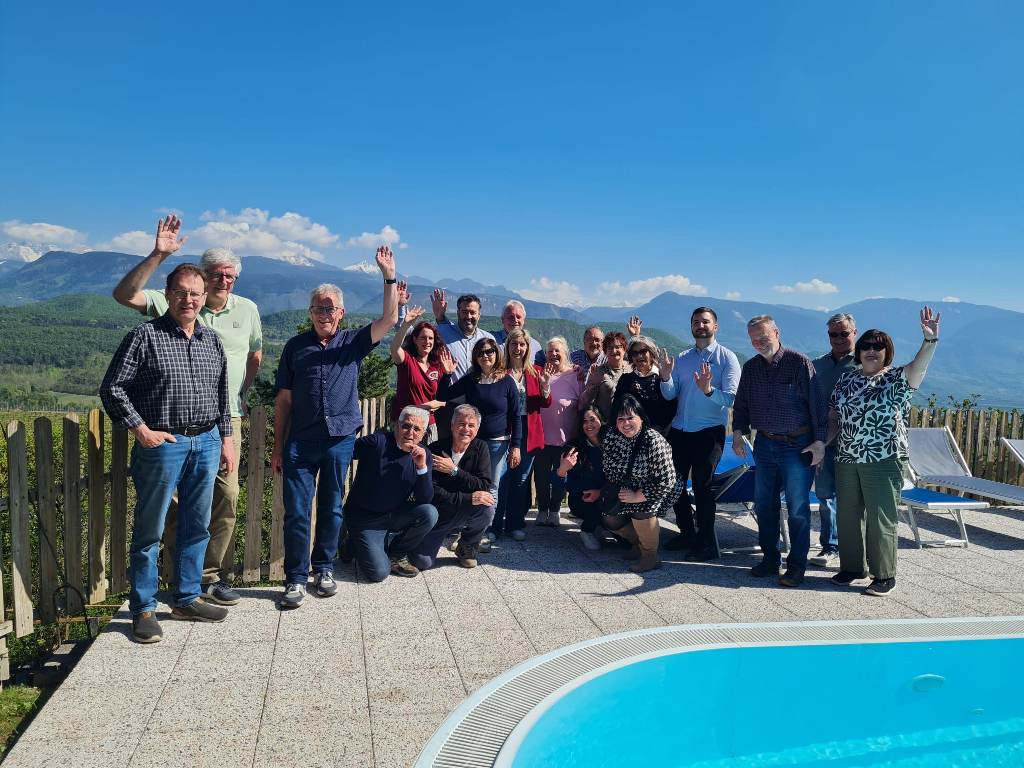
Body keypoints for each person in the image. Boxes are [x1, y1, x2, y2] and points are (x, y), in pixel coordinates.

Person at [112, 215, 262, 606]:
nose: (222, 281)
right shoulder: (159, 322)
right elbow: (124, 296)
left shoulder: (236, 318)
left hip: (217, 428)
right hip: (166, 433)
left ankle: (198, 585)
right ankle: (158, 594)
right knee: (161, 517)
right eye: (216, 275)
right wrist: (159, 254)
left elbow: (248, 362)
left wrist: (233, 415)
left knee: (216, 506)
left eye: (229, 276)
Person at [100, 263, 236, 643]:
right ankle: (143, 608)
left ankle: (187, 598)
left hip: (206, 442)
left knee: (197, 526)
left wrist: (225, 440)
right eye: (180, 292)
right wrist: (140, 430)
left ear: (204, 297)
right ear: (168, 294)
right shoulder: (145, 336)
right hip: (164, 446)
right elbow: (113, 387)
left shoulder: (212, 341)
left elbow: (222, 397)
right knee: (151, 529)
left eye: (195, 293)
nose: (188, 299)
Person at [271, 246, 399, 609]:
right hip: (300, 442)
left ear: (341, 313)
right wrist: (278, 447)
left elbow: (390, 319)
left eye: (330, 308)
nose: (324, 313)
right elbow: (284, 400)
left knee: (331, 508)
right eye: (318, 308)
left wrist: (389, 276)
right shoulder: (295, 347)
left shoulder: (352, 342)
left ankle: (323, 569)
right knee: (297, 512)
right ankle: (296, 578)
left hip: (339, 440)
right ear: (310, 312)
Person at [829, 308, 940, 597]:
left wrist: (929, 340)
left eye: (878, 346)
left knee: (880, 517)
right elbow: (834, 417)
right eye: (866, 345)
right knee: (848, 515)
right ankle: (853, 568)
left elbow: (920, 365)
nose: (871, 350)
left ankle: (884, 575)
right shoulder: (846, 380)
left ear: (887, 352)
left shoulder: (898, 378)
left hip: (883, 458)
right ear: (858, 351)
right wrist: (822, 444)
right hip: (847, 457)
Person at [732, 315, 827, 588]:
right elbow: (742, 404)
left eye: (763, 337)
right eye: (754, 339)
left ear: (776, 332)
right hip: (764, 444)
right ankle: (770, 559)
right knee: (764, 505)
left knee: (797, 508)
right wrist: (738, 433)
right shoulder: (751, 368)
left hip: (797, 445)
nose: (759, 343)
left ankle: (796, 566)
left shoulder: (799, 363)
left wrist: (820, 442)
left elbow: (818, 406)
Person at [658, 306, 741, 561]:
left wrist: (708, 390)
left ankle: (706, 542)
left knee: (703, 487)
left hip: (709, 432)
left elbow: (731, 399)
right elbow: (670, 395)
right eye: (696, 322)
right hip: (681, 430)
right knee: (674, 485)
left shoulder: (727, 358)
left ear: (715, 326)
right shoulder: (683, 358)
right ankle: (686, 532)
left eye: (705, 322)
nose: (700, 325)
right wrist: (665, 378)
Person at [437, 337, 520, 549]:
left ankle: (485, 530)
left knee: (492, 486)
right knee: (467, 482)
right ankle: (461, 528)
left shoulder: (507, 381)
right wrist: (447, 374)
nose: (485, 355)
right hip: (472, 443)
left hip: (498, 444)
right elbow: (444, 395)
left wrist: (516, 446)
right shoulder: (471, 379)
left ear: (497, 354)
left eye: (490, 351)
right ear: (475, 356)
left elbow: (516, 416)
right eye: (481, 352)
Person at [342, 407, 439, 582]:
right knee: (379, 573)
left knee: (429, 513)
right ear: (396, 426)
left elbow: (425, 499)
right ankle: (353, 541)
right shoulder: (377, 442)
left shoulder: (423, 454)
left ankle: (397, 553)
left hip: (393, 514)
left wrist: (421, 467)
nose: (410, 432)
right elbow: (344, 450)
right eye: (406, 426)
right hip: (365, 518)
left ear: (423, 434)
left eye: (417, 429)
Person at [598, 396, 681, 572]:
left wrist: (637, 496)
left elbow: (667, 480)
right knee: (610, 518)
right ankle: (638, 544)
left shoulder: (653, 440)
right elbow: (608, 469)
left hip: (658, 489)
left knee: (641, 510)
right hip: (627, 486)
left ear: (641, 418)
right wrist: (622, 492)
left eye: (630, 417)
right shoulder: (612, 436)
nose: (626, 423)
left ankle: (650, 556)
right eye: (621, 419)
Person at [413, 404, 494, 569]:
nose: (466, 429)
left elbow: (483, 485)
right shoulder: (435, 449)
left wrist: (454, 471)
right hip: (440, 513)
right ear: (452, 426)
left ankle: (467, 547)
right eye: (461, 424)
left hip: (463, 509)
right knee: (422, 562)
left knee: (487, 507)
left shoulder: (481, 448)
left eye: (471, 425)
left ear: (477, 429)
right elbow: (432, 491)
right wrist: (468, 497)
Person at [809, 313, 859, 568]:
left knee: (853, 498)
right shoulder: (816, 365)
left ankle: (855, 548)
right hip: (824, 443)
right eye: (833, 334)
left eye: (844, 333)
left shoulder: (864, 364)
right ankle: (830, 546)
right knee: (826, 496)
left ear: (854, 333)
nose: (838, 338)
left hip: (855, 443)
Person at [495, 328, 551, 538]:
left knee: (521, 479)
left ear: (527, 348)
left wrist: (545, 387)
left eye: (522, 344)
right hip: (504, 428)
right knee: (501, 478)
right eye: (514, 344)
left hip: (529, 429)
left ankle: (514, 524)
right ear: (507, 346)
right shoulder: (499, 372)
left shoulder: (536, 371)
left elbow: (545, 403)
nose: (518, 348)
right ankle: (494, 525)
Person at [534, 336, 585, 531]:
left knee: (561, 476)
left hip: (567, 439)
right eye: (550, 351)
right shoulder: (541, 374)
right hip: (542, 438)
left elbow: (582, 403)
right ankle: (542, 509)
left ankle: (554, 510)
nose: (554, 354)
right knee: (541, 477)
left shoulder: (575, 375)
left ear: (565, 354)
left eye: (557, 351)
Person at [389, 305, 448, 444]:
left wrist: (434, 404)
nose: (427, 342)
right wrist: (406, 325)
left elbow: (445, 397)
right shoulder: (407, 361)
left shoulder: (437, 366)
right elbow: (395, 348)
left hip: (428, 423)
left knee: (427, 457)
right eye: (423, 338)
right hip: (405, 424)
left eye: (430, 338)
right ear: (415, 340)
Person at [554, 404, 608, 551]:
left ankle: (602, 526)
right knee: (595, 506)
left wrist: (601, 492)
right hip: (583, 498)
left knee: (626, 543)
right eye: (585, 421)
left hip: (607, 493)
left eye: (592, 420)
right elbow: (560, 484)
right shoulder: (574, 448)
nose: (589, 425)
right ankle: (587, 530)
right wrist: (563, 470)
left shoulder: (613, 444)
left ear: (602, 421)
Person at [430, 289, 495, 381]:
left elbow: (497, 367)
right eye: (464, 312)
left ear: (479, 315)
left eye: (472, 312)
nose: (468, 316)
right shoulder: (442, 332)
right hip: (450, 389)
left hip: (481, 389)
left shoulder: (488, 339)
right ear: (458, 313)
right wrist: (440, 316)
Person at [613, 336, 675, 433]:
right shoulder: (625, 380)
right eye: (635, 353)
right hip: (629, 434)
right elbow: (616, 409)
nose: (639, 356)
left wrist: (659, 431)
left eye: (643, 351)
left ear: (652, 354)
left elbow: (672, 408)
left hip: (659, 435)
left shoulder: (662, 378)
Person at [580, 331, 631, 421]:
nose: (614, 351)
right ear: (605, 351)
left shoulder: (632, 369)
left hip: (628, 422)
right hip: (606, 423)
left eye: (618, 347)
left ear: (624, 349)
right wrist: (593, 384)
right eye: (610, 348)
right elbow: (584, 402)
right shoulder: (599, 371)